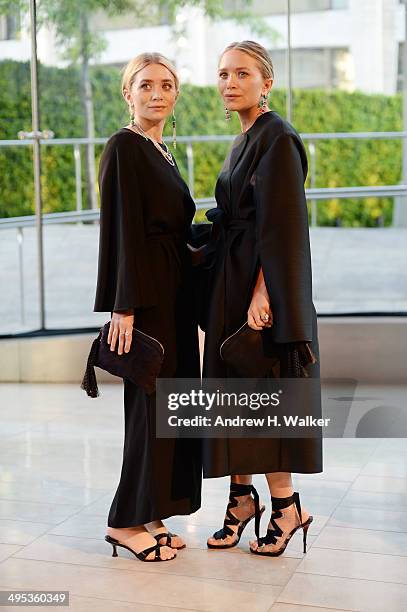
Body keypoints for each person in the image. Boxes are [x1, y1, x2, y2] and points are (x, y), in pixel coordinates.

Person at [201, 41, 323, 557]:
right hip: (231, 283)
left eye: (242, 73)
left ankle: (287, 506)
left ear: (266, 82)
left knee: (267, 399)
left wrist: (263, 291)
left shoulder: (278, 136)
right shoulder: (243, 138)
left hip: (261, 292)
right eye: (224, 74)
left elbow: (284, 225)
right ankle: (240, 499)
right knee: (236, 399)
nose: (230, 83)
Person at [93, 53, 202, 563]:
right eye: (145, 85)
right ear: (128, 94)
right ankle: (125, 520)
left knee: (170, 408)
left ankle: (154, 510)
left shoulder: (162, 150)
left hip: (173, 295)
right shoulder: (124, 147)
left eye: (166, 85)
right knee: (147, 409)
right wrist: (123, 306)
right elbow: (121, 231)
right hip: (146, 301)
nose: (157, 94)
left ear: (176, 95)